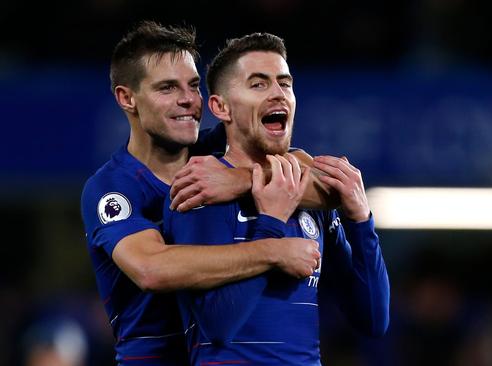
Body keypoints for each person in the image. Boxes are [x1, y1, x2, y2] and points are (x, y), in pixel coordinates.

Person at [80, 21, 330, 365]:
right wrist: (272, 249)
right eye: (167, 88)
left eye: (193, 85)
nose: (187, 100)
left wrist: (242, 180)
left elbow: (315, 176)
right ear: (127, 98)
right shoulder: (112, 187)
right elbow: (151, 268)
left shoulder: (214, 150)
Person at [163, 32, 390, 365]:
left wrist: (361, 222)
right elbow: (216, 325)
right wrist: (270, 226)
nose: (278, 95)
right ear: (221, 107)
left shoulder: (311, 198)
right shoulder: (202, 188)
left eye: (285, 84)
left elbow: (372, 320)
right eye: (258, 84)